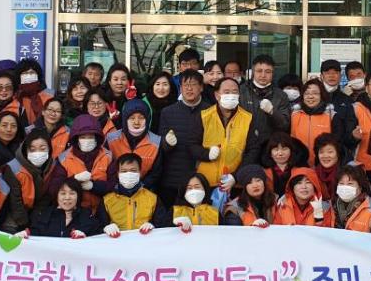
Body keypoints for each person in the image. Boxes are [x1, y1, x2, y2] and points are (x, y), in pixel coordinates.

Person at [157, 70, 214, 209]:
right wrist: (166, 142)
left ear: (201, 87)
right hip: (173, 179)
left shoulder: (211, 111)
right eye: (185, 85)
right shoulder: (168, 112)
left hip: (202, 178)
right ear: (180, 88)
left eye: (193, 84)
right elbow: (161, 148)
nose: (189, 89)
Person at [196, 77, 261, 187]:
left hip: (235, 183)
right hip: (206, 182)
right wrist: (207, 154)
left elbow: (253, 151)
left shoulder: (248, 118)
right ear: (217, 95)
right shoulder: (204, 116)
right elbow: (192, 144)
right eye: (226, 92)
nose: (231, 95)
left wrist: (235, 176)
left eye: (235, 92)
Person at [43, 114, 113, 206]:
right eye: (83, 137)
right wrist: (74, 180)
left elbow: (114, 185)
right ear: (76, 138)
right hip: (74, 210)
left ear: (96, 138)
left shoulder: (108, 156)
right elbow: (54, 189)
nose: (87, 141)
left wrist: (94, 186)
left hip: (103, 209)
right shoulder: (64, 159)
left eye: (90, 137)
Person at [101, 153, 170, 236]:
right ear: (118, 174)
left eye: (133, 170)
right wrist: (105, 227)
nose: (128, 174)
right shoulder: (107, 200)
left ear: (140, 172)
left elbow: (163, 225)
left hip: (144, 240)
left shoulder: (152, 198)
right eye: (124, 171)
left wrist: (153, 225)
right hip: (117, 241)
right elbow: (98, 227)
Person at [104, 99, 162, 184]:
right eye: (132, 118)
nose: (136, 122)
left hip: (144, 188)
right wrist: (116, 186)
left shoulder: (156, 142)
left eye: (141, 118)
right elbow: (105, 167)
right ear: (125, 120)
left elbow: (155, 173)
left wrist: (142, 186)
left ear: (147, 120)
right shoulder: (111, 139)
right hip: (115, 188)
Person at [27, 178, 106, 239]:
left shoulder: (86, 216)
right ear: (57, 196)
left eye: (72, 193)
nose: (67, 197)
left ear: (78, 196)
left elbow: (98, 238)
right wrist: (24, 236)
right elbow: (33, 235)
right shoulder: (45, 215)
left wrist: (85, 238)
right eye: (63, 193)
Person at [239, 54, 292, 143]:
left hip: (270, 144)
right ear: (253, 72)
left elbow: (285, 125)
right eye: (259, 71)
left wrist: (272, 112)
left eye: (268, 72)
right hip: (245, 142)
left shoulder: (281, 95)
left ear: (273, 73)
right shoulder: (241, 91)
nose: (263, 75)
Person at [332, 165, 371, 234]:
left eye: (350, 184)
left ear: (360, 187)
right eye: (341, 183)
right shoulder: (332, 206)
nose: (345, 187)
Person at [291, 78, 338, 165]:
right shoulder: (294, 114)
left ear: (322, 95)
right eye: (307, 93)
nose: (310, 96)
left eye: (315, 93)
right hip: (299, 165)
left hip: (324, 164)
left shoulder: (331, 115)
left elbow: (337, 144)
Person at [5, 129, 53, 212]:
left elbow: (47, 197)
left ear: (49, 149)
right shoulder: (13, 169)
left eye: (42, 149)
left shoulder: (52, 166)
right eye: (32, 149)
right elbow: (15, 203)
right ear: (25, 150)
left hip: (38, 212)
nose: (38, 153)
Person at [261, 132, 309, 197]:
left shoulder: (301, 169)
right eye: (276, 149)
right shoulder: (263, 172)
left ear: (291, 151)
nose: (280, 153)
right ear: (270, 153)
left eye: (284, 149)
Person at [16, 58, 54, 126]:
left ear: (38, 75)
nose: (28, 76)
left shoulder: (50, 95)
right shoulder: (16, 97)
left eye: (31, 73)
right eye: (25, 73)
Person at [319, 59, 355, 128]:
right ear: (321, 76)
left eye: (335, 72)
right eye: (328, 73)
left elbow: (350, 127)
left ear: (340, 76)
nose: (331, 76)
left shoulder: (348, 101)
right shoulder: (313, 98)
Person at [312, 133, 346, 200]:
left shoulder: (346, 173)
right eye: (321, 152)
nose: (325, 156)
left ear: (338, 153)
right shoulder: (312, 174)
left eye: (330, 152)